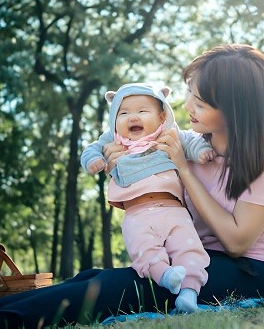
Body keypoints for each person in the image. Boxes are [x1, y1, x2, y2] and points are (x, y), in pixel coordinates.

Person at [0, 43, 264, 329]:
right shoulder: (193, 144)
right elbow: (152, 195)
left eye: (200, 103)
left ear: (235, 108)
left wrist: (184, 171)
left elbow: (239, 240)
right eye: (189, 95)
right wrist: (120, 164)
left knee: (121, 288)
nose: (186, 108)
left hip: (254, 273)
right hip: (200, 257)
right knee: (93, 275)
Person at [80, 82, 213, 313]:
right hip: (136, 213)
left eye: (142, 111)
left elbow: (191, 142)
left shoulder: (168, 135)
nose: (133, 117)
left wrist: (201, 152)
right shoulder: (112, 141)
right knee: (143, 251)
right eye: (123, 113)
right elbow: (90, 149)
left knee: (189, 249)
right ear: (114, 119)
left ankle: (189, 294)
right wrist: (94, 161)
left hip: (173, 210)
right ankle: (166, 276)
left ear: (162, 116)